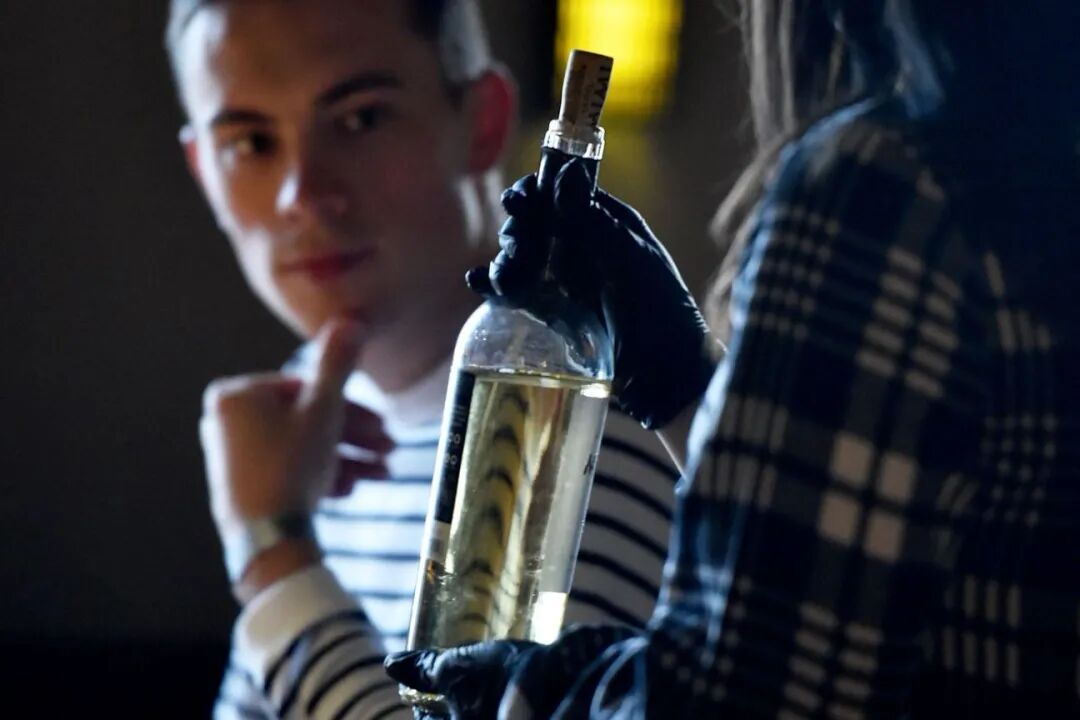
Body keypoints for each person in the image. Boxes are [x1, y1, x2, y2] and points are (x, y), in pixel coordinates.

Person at [382, 0, 1080, 717]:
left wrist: (531, 689)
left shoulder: (888, 186)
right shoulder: (1038, 175)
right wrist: (684, 384)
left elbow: (742, 700)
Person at [167, 0, 683, 718]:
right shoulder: (307, 430)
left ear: (484, 123)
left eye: (361, 119)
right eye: (251, 142)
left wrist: (272, 554)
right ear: (203, 171)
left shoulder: (575, 423)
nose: (302, 195)